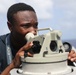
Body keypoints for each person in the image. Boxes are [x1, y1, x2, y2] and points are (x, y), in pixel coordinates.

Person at [0, 2, 76, 75]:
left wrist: (67, 61)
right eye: (26, 26)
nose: (33, 31)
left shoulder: (44, 44)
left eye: (35, 25)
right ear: (10, 26)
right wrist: (13, 65)